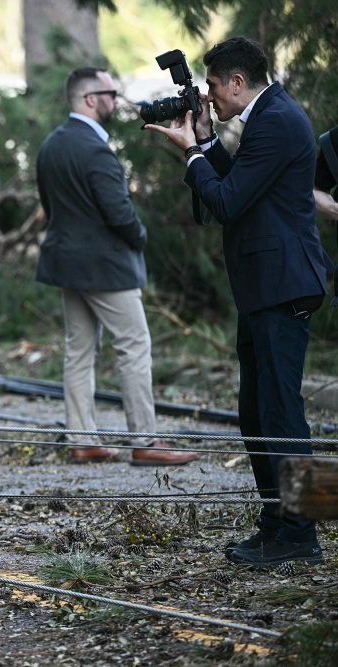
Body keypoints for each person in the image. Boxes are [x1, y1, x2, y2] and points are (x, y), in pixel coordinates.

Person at [146, 37, 332, 567]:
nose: (208, 96)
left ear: (235, 81)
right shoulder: (269, 115)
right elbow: (241, 184)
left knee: (282, 411)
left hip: (284, 283)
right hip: (264, 284)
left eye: (212, 86)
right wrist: (205, 143)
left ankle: (301, 535)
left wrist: (191, 152)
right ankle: (278, 523)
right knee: (257, 411)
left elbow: (227, 201)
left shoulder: (276, 119)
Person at [36, 67, 198, 467]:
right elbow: (119, 213)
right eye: (110, 92)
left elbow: (50, 205)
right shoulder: (95, 149)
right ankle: (144, 441)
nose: (116, 99)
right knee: (134, 345)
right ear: (90, 99)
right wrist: (140, 237)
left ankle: (82, 439)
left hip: (67, 263)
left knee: (78, 350)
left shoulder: (51, 145)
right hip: (106, 266)